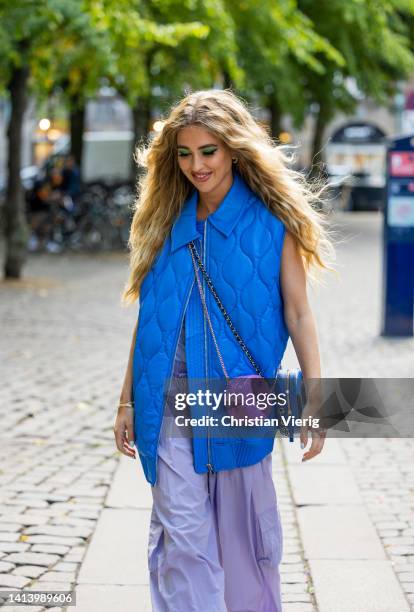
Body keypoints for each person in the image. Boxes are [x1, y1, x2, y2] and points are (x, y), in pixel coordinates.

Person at [114, 89, 334, 612]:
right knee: (182, 533)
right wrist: (125, 400)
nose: (196, 165)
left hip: (239, 399)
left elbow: (299, 313)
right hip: (165, 398)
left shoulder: (271, 224)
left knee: (241, 542)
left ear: (234, 149)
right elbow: (149, 320)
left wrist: (316, 398)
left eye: (208, 151)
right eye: (185, 154)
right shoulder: (164, 222)